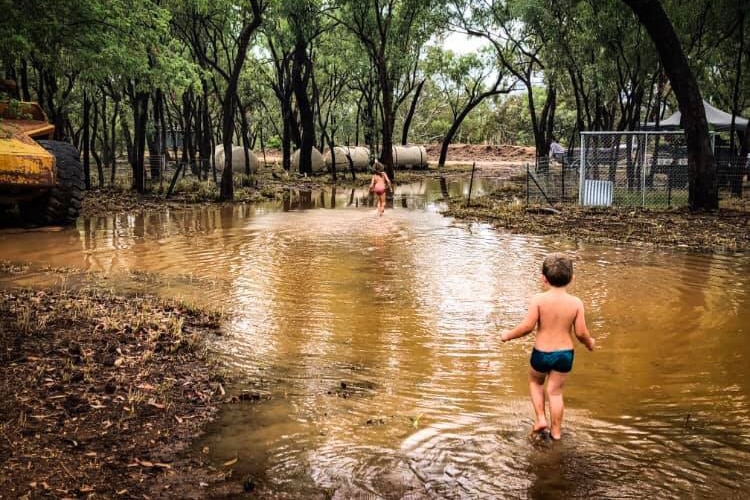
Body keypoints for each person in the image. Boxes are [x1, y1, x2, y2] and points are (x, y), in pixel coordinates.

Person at [500, 253, 595, 440]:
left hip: (542, 353)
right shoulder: (576, 303)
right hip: (565, 355)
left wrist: (508, 335)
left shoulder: (539, 300)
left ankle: (541, 419)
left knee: (535, 382)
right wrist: (589, 342)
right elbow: (581, 332)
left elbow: (527, 327)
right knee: (555, 392)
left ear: (543, 278)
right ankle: (557, 432)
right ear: (572, 279)